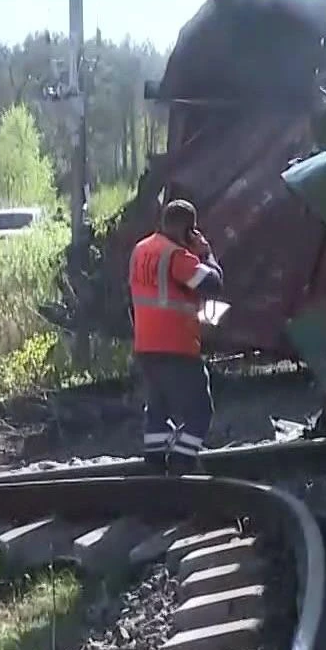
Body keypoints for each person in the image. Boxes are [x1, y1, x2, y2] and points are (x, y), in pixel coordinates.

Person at [128, 199, 224, 473]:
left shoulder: (141, 250)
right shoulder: (177, 257)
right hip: (177, 348)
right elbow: (213, 284)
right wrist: (206, 253)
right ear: (188, 230)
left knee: (158, 410)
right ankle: (181, 465)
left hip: (146, 347)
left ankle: (155, 465)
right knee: (199, 412)